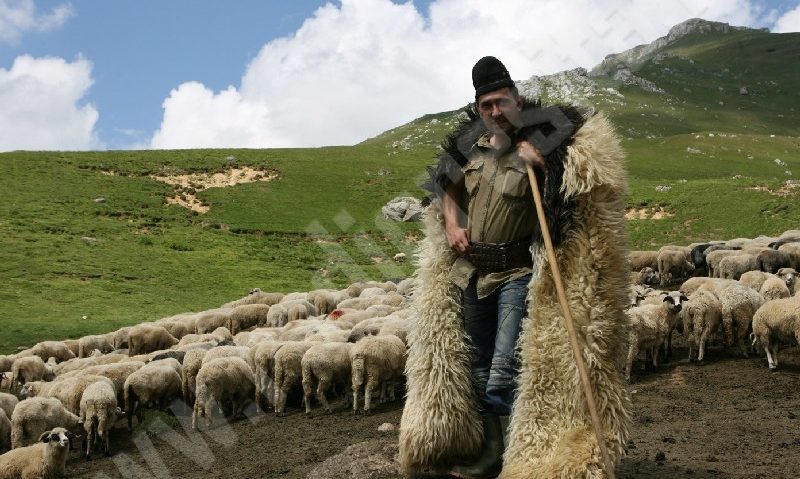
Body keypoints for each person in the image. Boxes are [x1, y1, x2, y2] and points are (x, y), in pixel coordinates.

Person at [399, 56, 632, 479]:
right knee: (479, 363)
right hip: (471, 273)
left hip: (515, 274)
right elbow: (445, 183)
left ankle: (510, 457)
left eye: (501, 102)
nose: (494, 112)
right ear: (478, 108)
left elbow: (568, 200)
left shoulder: (545, 142)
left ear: (516, 99)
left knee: (505, 367)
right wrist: (452, 223)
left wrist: (543, 165)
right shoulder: (468, 148)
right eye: (486, 105)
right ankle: (490, 446)